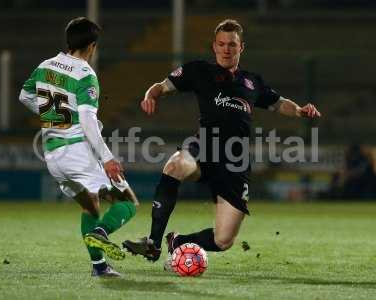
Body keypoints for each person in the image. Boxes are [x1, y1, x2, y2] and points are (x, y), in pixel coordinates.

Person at [122, 19, 321, 263]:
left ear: (241, 48)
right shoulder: (198, 71)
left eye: (232, 45)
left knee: (223, 240)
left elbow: (279, 103)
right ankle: (152, 243)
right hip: (204, 146)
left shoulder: (252, 82)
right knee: (175, 165)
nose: (226, 49)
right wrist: (149, 95)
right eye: (221, 44)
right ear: (214, 47)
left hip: (235, 160)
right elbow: (161, 87)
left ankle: (177, 242)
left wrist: (300, 110)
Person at [19, 17, 138, 277]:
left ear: (69, 40)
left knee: (91, 206)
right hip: (77, 152)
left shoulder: (45, 66)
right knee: (128, 203)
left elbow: (25, 95)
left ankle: (99, 267)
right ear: (92, 46)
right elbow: (87, 121)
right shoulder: (85, 74)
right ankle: (101, 234)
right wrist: (107, 158)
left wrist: (54, 118)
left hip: (53, 157)